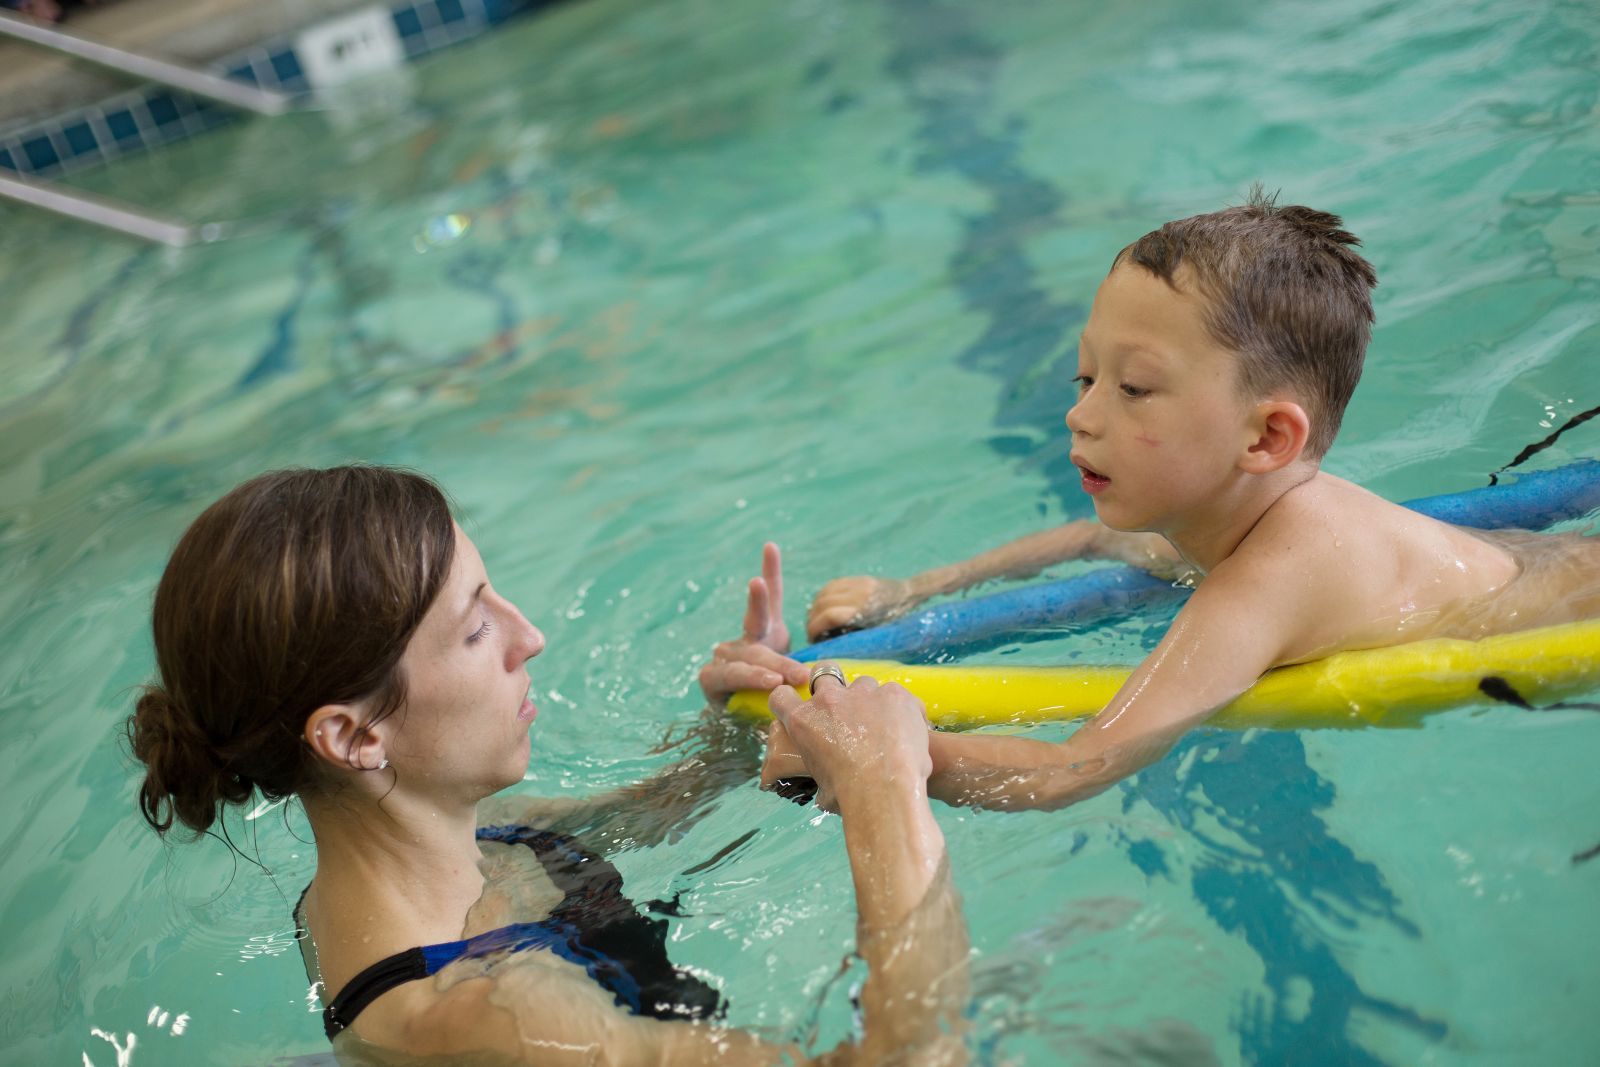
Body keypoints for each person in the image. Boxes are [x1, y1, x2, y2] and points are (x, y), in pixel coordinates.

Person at [768, 190, 1600, 812]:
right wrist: (909, 591)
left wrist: (890, 756)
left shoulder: (1274, 573)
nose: (1081, 413)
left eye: (1133, 387)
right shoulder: (1227, 516)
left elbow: (1078, 767)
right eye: (1085, 376)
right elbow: (1086, 542)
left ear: (1268, 438)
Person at [126, 466, 967, 1065]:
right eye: (475, 627)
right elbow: (914, 1055)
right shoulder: (501, 1016)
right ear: (353, 739)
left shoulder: (454, 841)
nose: (529, 636)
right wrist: (886, 786)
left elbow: (658, 810)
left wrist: (739, 730)